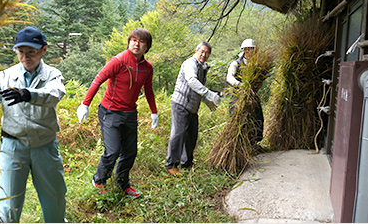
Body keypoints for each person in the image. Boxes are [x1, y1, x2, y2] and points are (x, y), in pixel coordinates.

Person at [0, 26, 67, 223]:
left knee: (54, 200)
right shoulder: (5, 77)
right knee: (8, 206)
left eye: (31, 51)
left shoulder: (52, 74)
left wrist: (28, 94)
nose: (26, 56)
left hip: (44, 145)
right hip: (12, 147)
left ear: (44, 50)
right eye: (21, 51)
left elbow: (55, 93)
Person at [76, 28, 158, 198]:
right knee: (113, 150)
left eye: (141, 41)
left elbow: (148, 90)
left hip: (130, 113)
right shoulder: (118, 61)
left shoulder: (147, 68)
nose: (137, 43)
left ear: (147, 46)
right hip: (110, 111)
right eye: (133, 40)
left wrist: (154, 112)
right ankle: (99, 180)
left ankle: (122, 182)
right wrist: (85, 104)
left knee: (130, 151)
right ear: (129, 42)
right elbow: (98, 80)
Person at [165, 42, 221, 176]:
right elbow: (191, 81)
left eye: (207, 53)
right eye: (202, 51)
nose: (204, 55)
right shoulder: (190, 63)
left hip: (192, 107)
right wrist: (209, 93)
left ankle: (186, 162)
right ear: (196, 50)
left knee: (192, 135)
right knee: (178, 134)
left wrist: (207, 100)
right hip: (181, 104)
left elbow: (196, 89)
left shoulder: (203, 67)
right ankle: (171, 165)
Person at [226, 38, 263, 145]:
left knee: (257, 119)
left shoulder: (256, 65)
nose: (253, 52)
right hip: (238, 97)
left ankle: (253, 143)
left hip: (252, 97)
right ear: (245, 50)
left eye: (254, 49)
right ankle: (236, 144)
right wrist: (240, 85)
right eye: (250, 49)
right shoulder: (236, 64)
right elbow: (229, 77)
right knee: (235, 119)